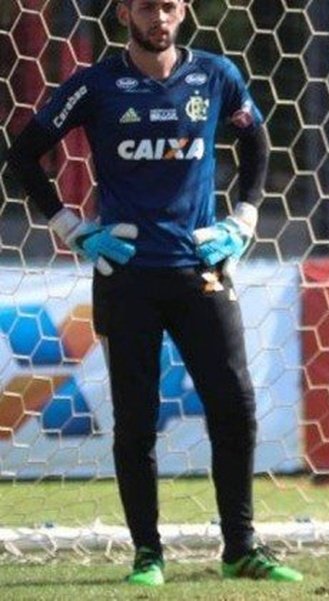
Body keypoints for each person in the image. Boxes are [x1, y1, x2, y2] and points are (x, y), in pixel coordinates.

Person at [5, 0, 302, 587]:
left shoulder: (215, 75)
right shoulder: (95, 84)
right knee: (136, 420)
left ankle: (240, 547)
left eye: (168, 5)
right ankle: (148, 554)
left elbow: (257, 144)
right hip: (127, 275)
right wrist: (71, 229)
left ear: (184, 11)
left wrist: (243, 219)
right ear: (124, 14)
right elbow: (22, 154)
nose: (158, 16)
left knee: (236, 404)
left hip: (201, 268)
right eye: (146, 6)